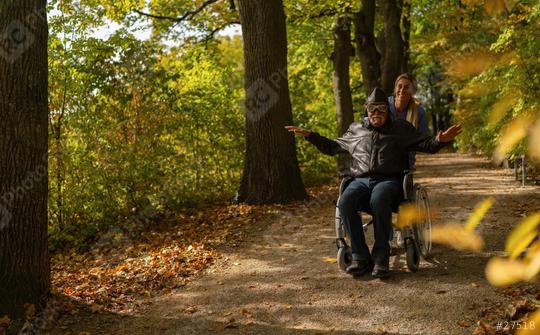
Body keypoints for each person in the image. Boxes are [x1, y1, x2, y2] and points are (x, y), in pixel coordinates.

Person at [285, 87, 461, 278]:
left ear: (388, 109)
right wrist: (311, 136)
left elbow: (427, 145)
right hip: (360, 180)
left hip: (389, 182)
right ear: (366, 109)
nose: (376, 113)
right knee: (345, 201)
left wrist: (440, 140)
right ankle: (360, 257)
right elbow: (332, 147)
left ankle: (381, 258)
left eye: (381, 108)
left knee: (380, 197)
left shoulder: (401, 129)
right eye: (372, 108)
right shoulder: (356, 129)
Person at [389, 73, 429, 168]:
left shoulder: (419, 112)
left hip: (405, 162)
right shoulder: (384, 106)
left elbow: (422, 139)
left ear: (413, 91)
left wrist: (439, 140)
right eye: (399, 86)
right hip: (382, 159)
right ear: (395, 89)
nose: (402, 90)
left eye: (406, 87)